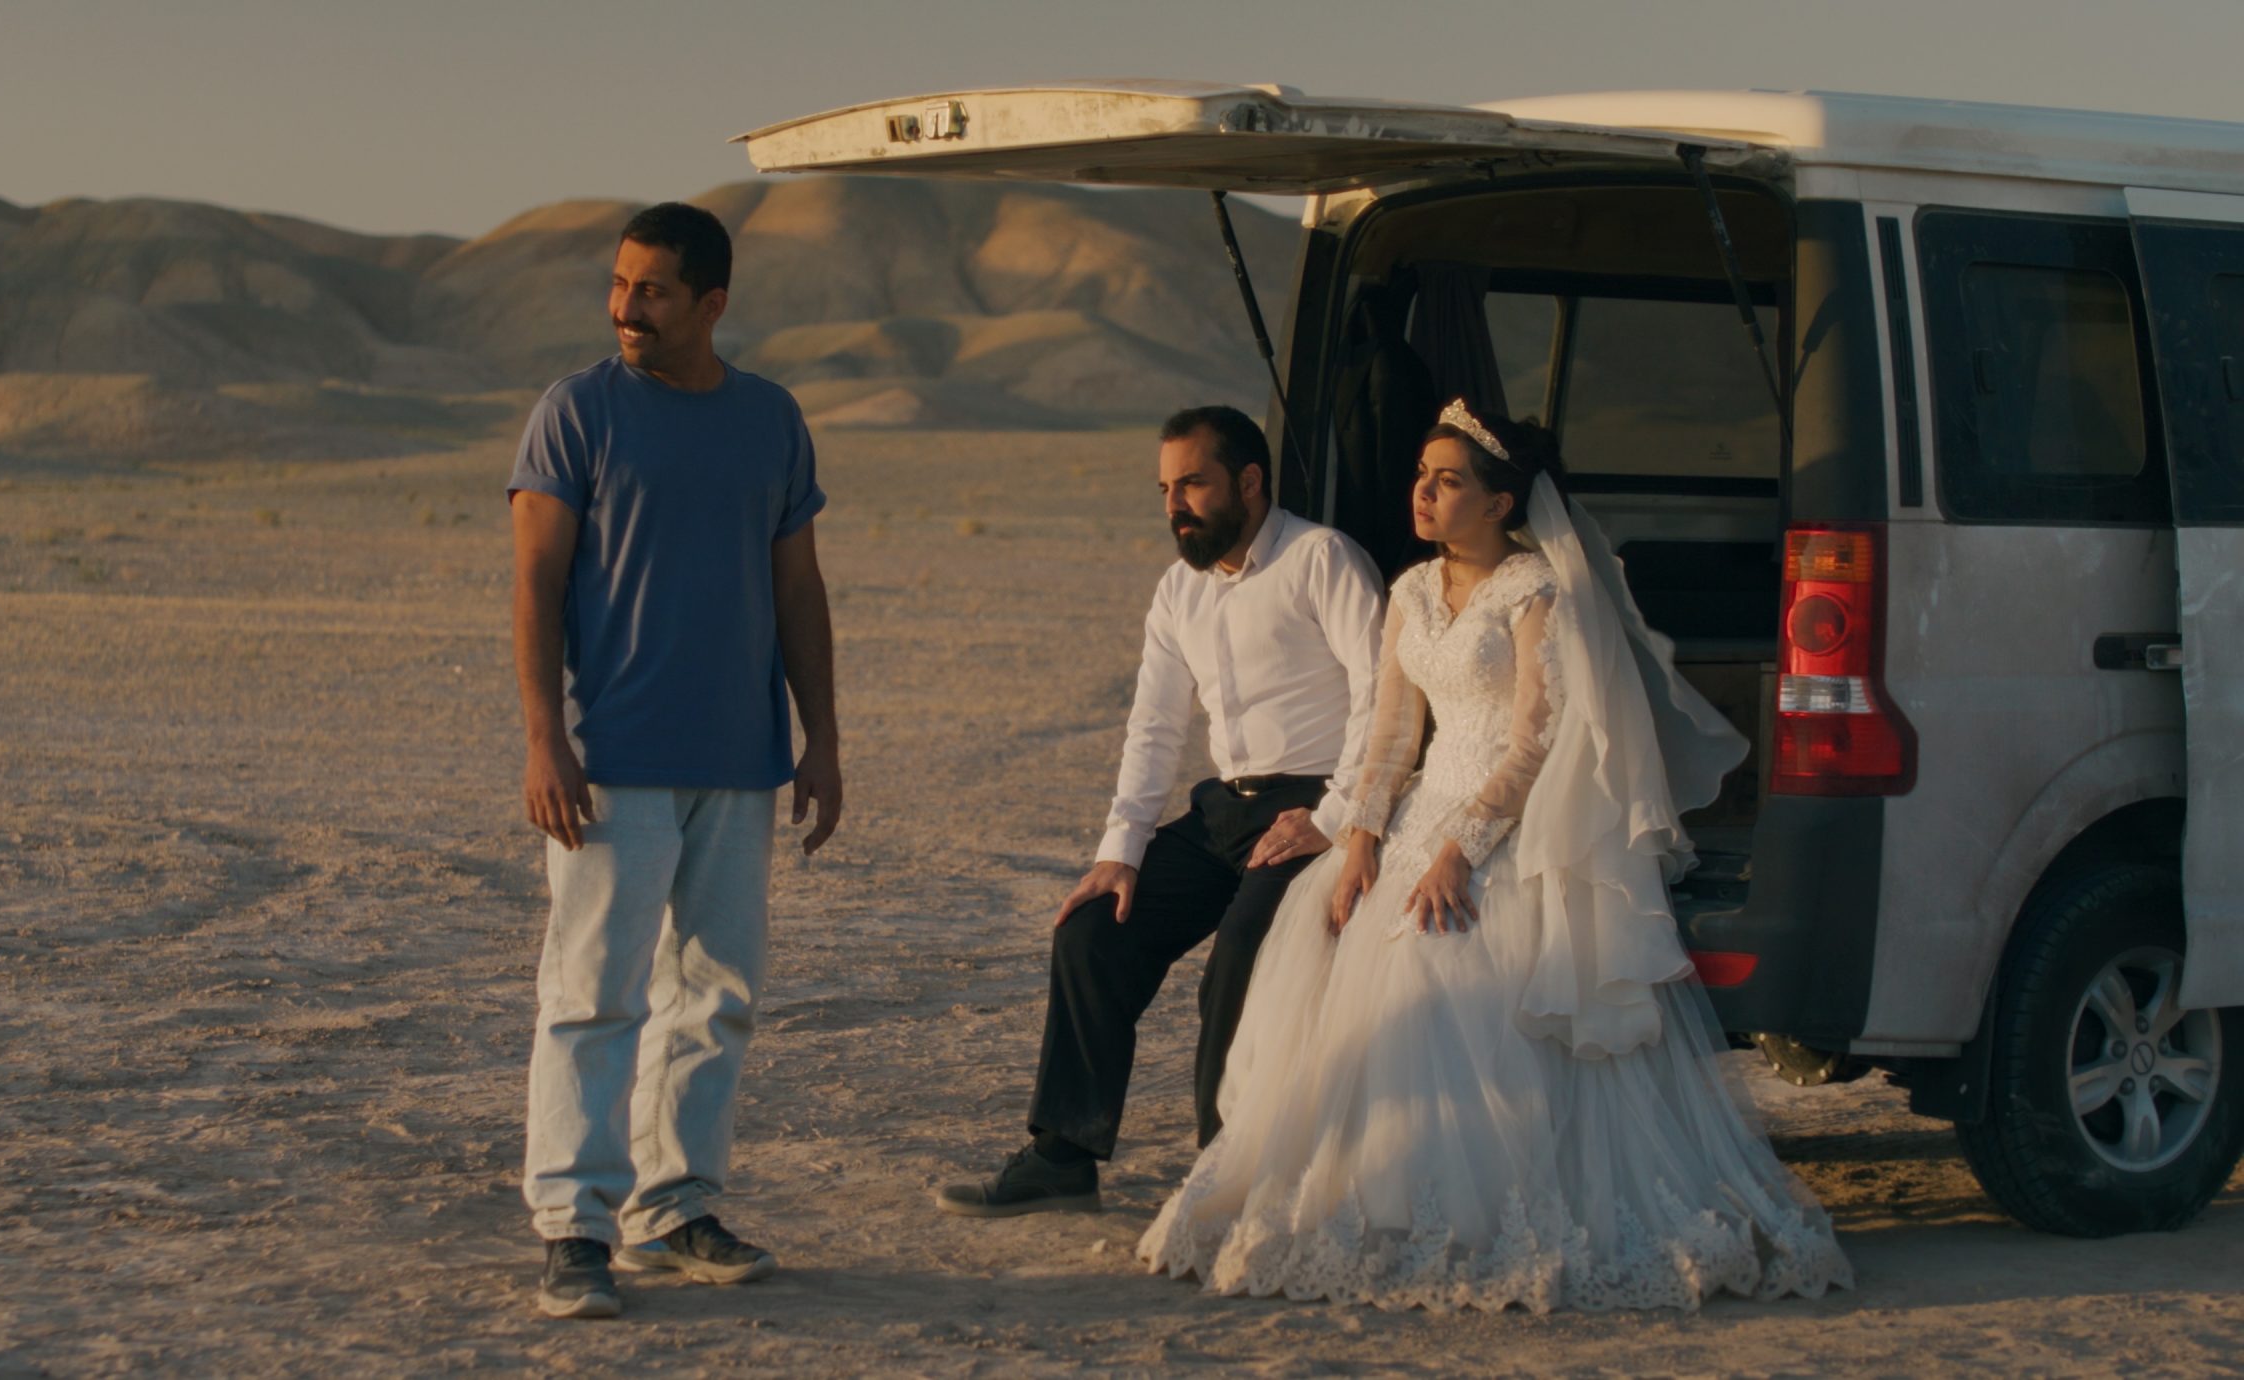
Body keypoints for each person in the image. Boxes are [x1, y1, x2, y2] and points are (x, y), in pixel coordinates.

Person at [1137, 399, 1854, 1312]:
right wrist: (1360, 842)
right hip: (1417, 813)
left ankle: (1483, 1210)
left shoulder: (1535, 594)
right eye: (1421, 477)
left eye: (1448, 481)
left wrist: (1461, 853)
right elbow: (1392, 736)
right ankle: (1373, 1191)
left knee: (1452, 967)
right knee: (1342, 947)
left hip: (1508, 825)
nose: (1425, 493)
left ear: (1500, 501)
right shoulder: (1406, 592)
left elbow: (1533, 742)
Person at [509, 201, 841, 1321]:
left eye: (649, 290)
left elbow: (798, 585)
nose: (624, 308)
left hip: (739, 760)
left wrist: (821, 738)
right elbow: (535, 584)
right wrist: (544, 737)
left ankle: (674, 1203)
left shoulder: (770, 420)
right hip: (613, 758)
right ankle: (574, 1225)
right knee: (592, 995)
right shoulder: (577, 413)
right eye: (617, 285)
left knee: (714, 995)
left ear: (712, 304)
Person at [936, 405, 1384, 1217]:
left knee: (1237, 965)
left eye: (1192, 485)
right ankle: (1062, 1157)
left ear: (1249, 483)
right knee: (1091, 931)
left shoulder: (1323, 559)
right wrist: (1122, 851)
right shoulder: (1179, 590)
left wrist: (1336, 812)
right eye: (1164, 489)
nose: (1174, 505)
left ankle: (1227, 1177)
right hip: (1225, 813)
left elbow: (1380, 695)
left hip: (1315, 807)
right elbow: (1154, 726)